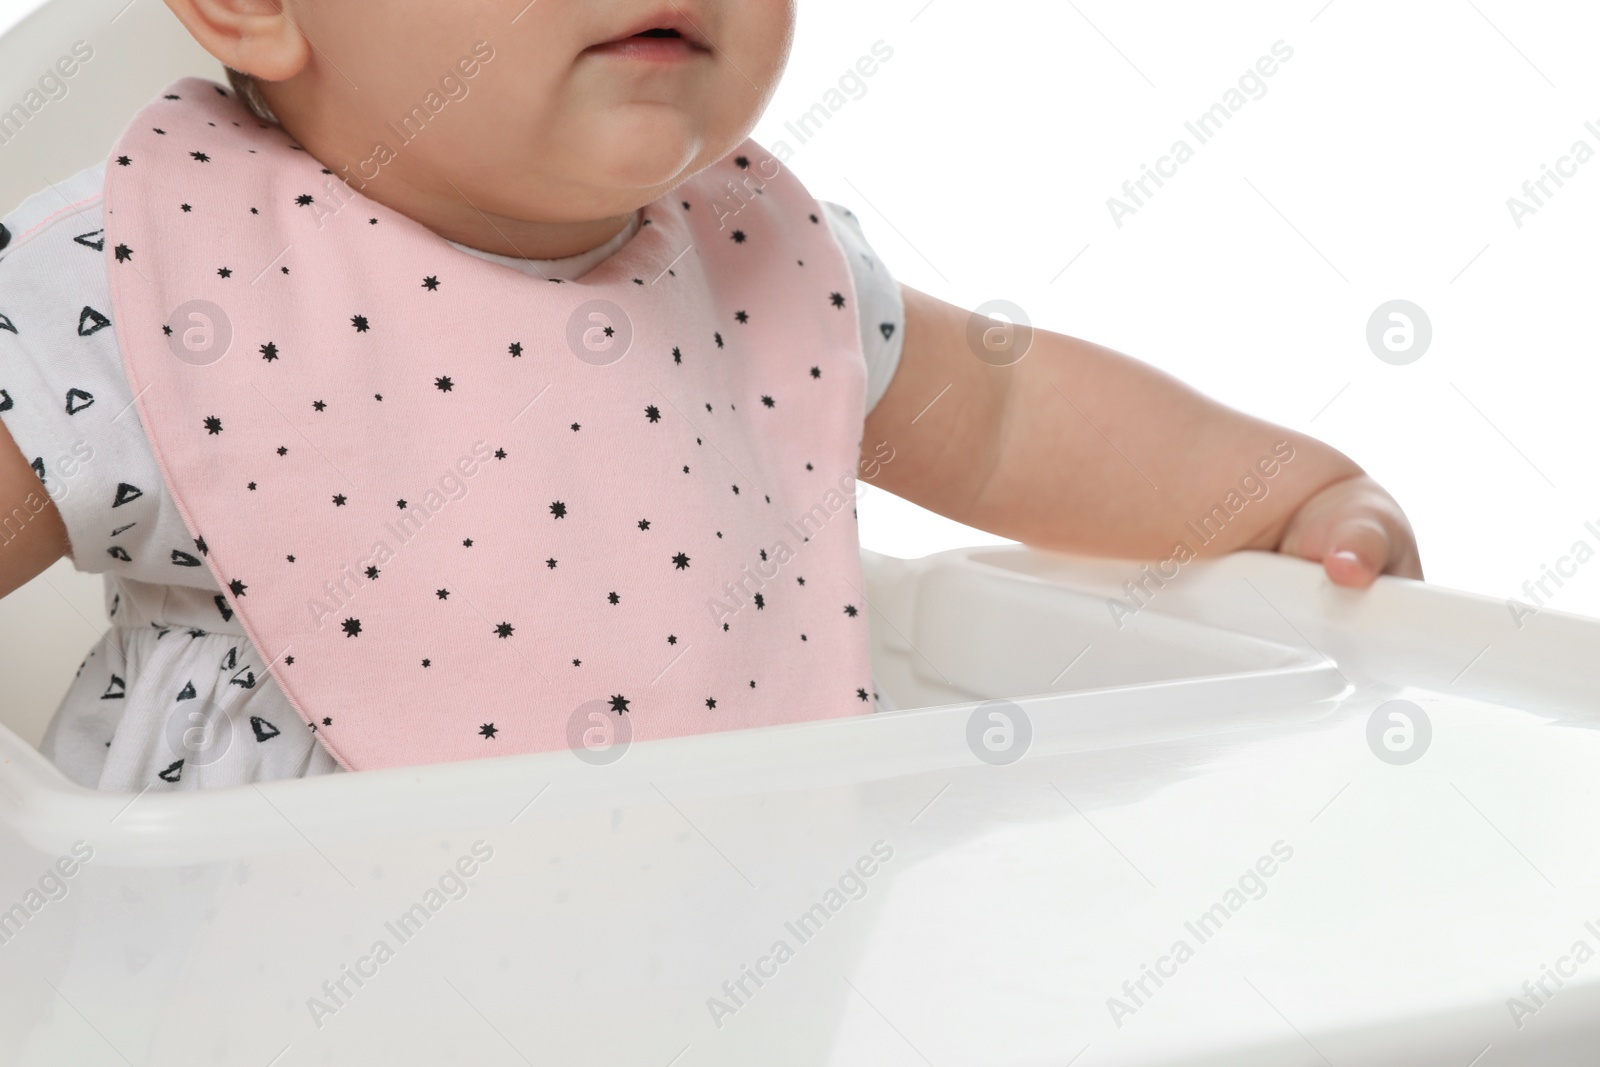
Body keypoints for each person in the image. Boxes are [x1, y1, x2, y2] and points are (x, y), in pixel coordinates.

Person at [0, 0, 1420, 791]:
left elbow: (999, 420)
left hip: (713, 958)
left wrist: (1278, 494)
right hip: (230, 984)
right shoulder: (146, 277)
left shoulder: (760, 267)